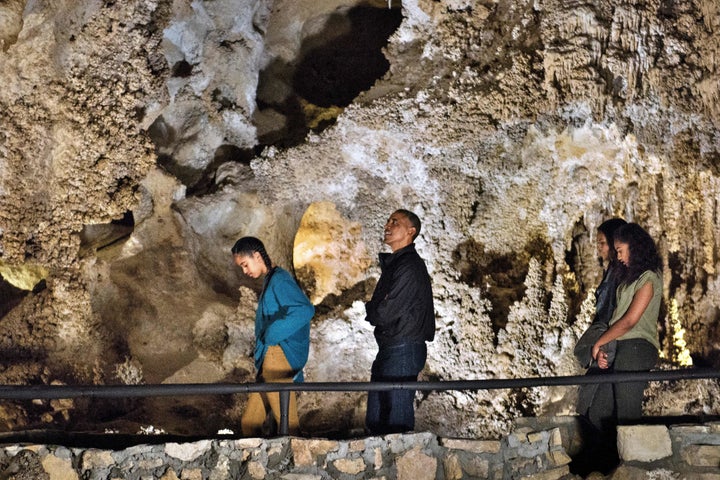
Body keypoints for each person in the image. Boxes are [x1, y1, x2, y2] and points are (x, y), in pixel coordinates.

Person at [231, 236, 314, 437]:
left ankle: (300, 465)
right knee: (250, 422)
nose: (245, 271)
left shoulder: (280, 279)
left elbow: (305, 310)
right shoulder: (272, 280)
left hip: (278, 356)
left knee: (288, 424)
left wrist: (271, 334)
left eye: (245, 264)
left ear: (257, 256)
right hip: (269, 359)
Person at [364, 209, 435, 435]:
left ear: (410, 231)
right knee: (378, 415)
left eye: (395, 222)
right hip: (392, 346)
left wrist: (374, 309)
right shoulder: (397, 264)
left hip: (403, 346)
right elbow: (381, 307)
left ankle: (399, 466)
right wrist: (376, 308)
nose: (388, 225)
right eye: (388, 220)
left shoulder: (408, 266)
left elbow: (383, 312)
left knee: (396, 417)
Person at [591, 223, 662, 424]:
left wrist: (598, 343)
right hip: (619, 345)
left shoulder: (648, 278)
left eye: (621, 251)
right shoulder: (630, 278)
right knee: (599, 409)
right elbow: (617, 316)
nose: (619, 257)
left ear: (634, 247)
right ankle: (607, 453)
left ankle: (633, 455)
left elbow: (630, 321)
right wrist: (606, 347)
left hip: (636, 347)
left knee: (627, 414)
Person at [572, 218, 626, 474]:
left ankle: (603, 464)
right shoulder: (611, 272)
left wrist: (604, 345)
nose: (599, 248)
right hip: (602, 342)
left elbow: (618, 315)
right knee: (591, 400)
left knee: (599, 405)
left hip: (610, 344)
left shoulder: (622, 274)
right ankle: (599, 462)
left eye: (603, 243)